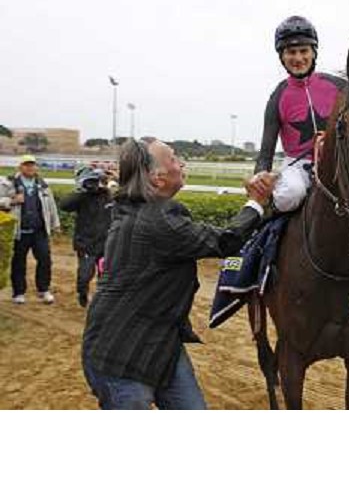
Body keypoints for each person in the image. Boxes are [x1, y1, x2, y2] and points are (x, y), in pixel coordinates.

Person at [82, 138, 274, 410]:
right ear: (157, 179)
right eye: (173, 159)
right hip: (120, 356)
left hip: (161, 343)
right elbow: (226, 242)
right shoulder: (156, 221)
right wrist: (255, 202)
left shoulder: (136, 210)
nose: (180, 163)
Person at [250, 15, 346, 212]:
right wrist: (260, 176)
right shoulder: (278, 95)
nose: (298, 58)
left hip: (336, 161)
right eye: (291, 52)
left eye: (304, 51)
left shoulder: (338, 86)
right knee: (290, 194)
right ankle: (268, 230)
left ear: (313, 53)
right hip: (297, 167)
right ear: (282, 57)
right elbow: (266, 152)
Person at [4, 155, 60, 304]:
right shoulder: (9, 183)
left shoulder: (42, 184)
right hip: (19, 231)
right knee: (18, 262)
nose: (30, 167)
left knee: (45, 260)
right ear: (20, 167)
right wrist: (13, 200)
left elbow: (51, 206)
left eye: (32, 165)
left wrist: (55, 224)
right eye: (26, 165)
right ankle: (19, 292)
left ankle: (44, 289)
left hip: (39, 230)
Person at [59, 166, 116, 308]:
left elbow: (128, 197)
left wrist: (111, 178)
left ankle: (102, 302)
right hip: (86, 244)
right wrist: (81, 189)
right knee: (85, 275)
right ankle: (82, 293)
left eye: (95, 181)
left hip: (106, 244)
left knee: (106, 276)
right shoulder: (82, 198)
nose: (94, 184)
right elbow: (64, 205)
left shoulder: (108, 195)